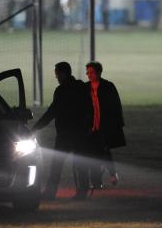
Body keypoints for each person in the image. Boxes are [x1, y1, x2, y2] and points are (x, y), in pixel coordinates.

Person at [32, 62, 91, 200]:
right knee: (80, 164)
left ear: (63, 74)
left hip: (65, 134)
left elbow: (51, 112)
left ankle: (50, 193)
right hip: (81, 133)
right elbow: (90, 108)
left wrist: (36, 127)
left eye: (57, 74)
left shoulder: (61, 91)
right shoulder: (82, 87)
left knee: (57, 165)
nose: (56, 77)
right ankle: (83, 192)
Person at [85, 61, 126, 190]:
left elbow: (116, 106)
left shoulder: (108, 86)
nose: (88, 75)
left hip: (104, 126)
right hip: (91, 127)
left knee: (104, 151)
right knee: (92, 154)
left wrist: (117, 125)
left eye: (91, 72)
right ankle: (96, 182)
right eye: (87, 72)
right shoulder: (85, 88)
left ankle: (112, 173)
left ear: (98, 72)